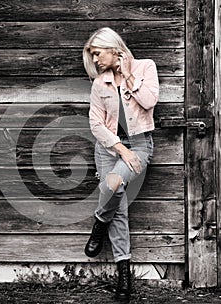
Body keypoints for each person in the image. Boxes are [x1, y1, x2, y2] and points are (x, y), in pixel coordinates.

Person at [82, 27, 159, 300]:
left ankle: (100, 220)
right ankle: (123, 276)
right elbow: (96, 124)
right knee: (119, 205)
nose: (95, 59)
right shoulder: (99, 83)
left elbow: (150, 101)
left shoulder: (145, 67)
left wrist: (128, 76)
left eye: (97, 53)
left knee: (112, 186)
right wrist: (118, 149)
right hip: (108, 149)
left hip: (139, 146)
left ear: (113, 48)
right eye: (91, 55)